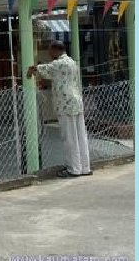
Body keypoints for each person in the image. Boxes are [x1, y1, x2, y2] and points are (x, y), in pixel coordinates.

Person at [27, 41, 92, 178]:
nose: (49, 54)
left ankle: (73, 169)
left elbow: (44, 69)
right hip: (76, 101)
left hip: (65, 104)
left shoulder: (59, 64)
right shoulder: (73, 62)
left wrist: (32, 68)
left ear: (56, 50)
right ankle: (85, 167)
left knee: (69, 137)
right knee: (81, 135)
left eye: (50, 51)